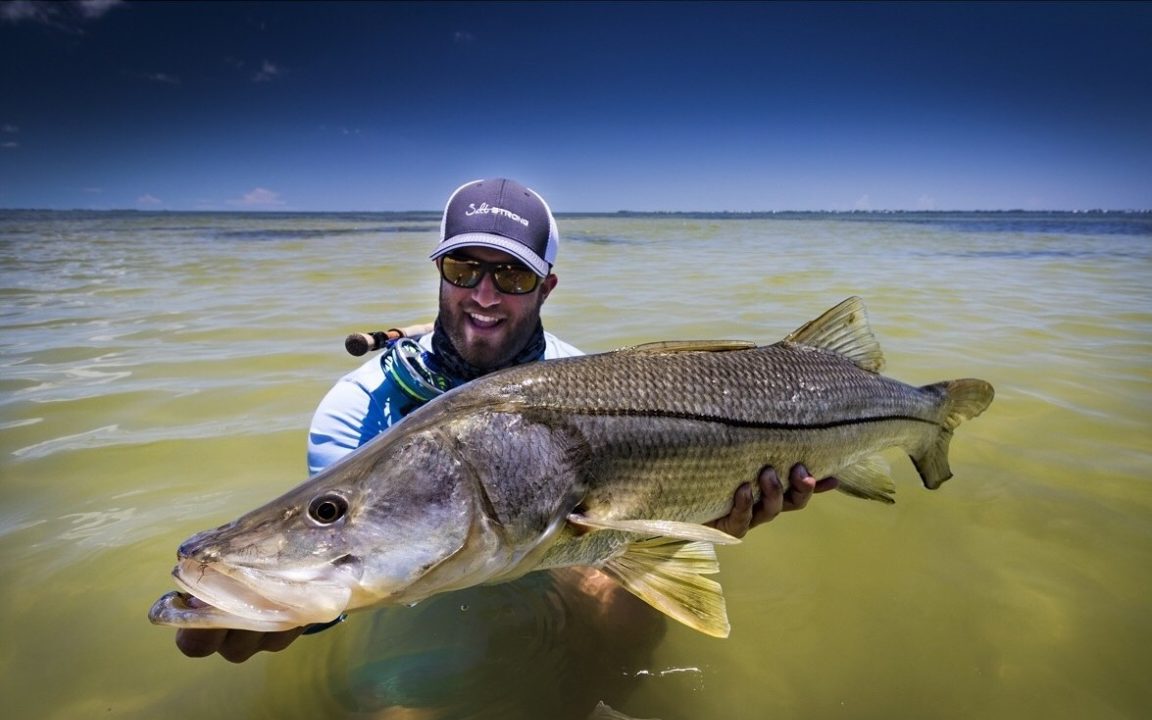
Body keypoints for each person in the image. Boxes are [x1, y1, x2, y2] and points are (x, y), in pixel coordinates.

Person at [176, 177, 837, 662]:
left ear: (547, 286)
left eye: (513, 276)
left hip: (550, 562)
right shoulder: (355, 407)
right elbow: (360, 565)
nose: (484, 295)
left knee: (626, 624)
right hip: (430, 607)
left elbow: (651, 530)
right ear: (439, 273)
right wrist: (296, 615)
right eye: (465, 269)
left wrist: (710, 517)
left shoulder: (584, 374)